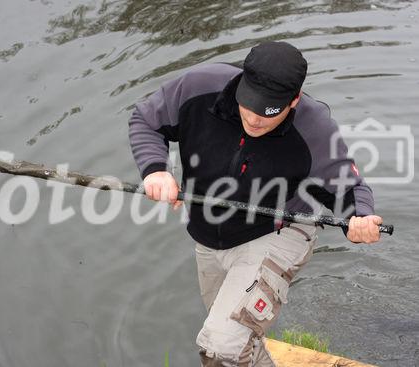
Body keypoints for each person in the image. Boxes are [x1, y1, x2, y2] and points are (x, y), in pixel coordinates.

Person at [127, 41, 382, 367]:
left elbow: (348, 187)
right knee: (237, 340)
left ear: (294, 100)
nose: (256, 119)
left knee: (219, 348)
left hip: (280, 231)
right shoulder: (199, 86)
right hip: (208, 237)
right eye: (250, 105)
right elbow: (145, 120)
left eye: (269, 111)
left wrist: (360, 218)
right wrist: (156, 170)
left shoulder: (314, 127)